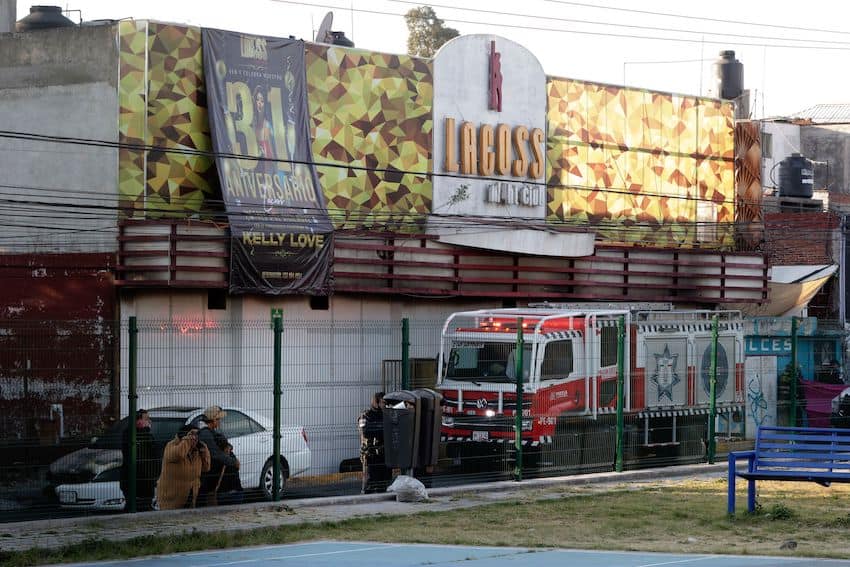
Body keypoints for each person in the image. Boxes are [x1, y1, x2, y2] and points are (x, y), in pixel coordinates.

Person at [193, 405, 239, 507]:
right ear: (213, 420)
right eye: (218, 419)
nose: (219, 422)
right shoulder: (205, 434)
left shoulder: (209, 432)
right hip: (207, 478)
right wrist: (233, 462)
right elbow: (216, 454)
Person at [155, 425, 210, 510]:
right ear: (184, 436)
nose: (195, 438)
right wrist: (187, 441)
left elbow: (206, 468)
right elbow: (179, 454)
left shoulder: (196, 450)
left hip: (190, 494)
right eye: (192, 434)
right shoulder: (171, 445)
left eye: (197, 435)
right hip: (171, 496)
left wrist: (204, 453)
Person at [120, 409, 157, 511]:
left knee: (146, 506)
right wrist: (145, 431)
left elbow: (153, 455)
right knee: (133, 507)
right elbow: (137, 456)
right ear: (138, 421)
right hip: (135, 480)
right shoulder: (129, 434)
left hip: (147, 480)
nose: (149, 421)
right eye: (146, 419)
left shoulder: (148, 435)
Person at [358, 392, 392, 494]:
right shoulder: (365, 415)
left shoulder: (387, 414)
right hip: (371, 454)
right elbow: (365, 431)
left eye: (386, 403)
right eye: (383, 402)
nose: (384, 405)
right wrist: (383, 429)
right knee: (371, 482)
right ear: (376, 402)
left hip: (384, 453)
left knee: (384, 482)